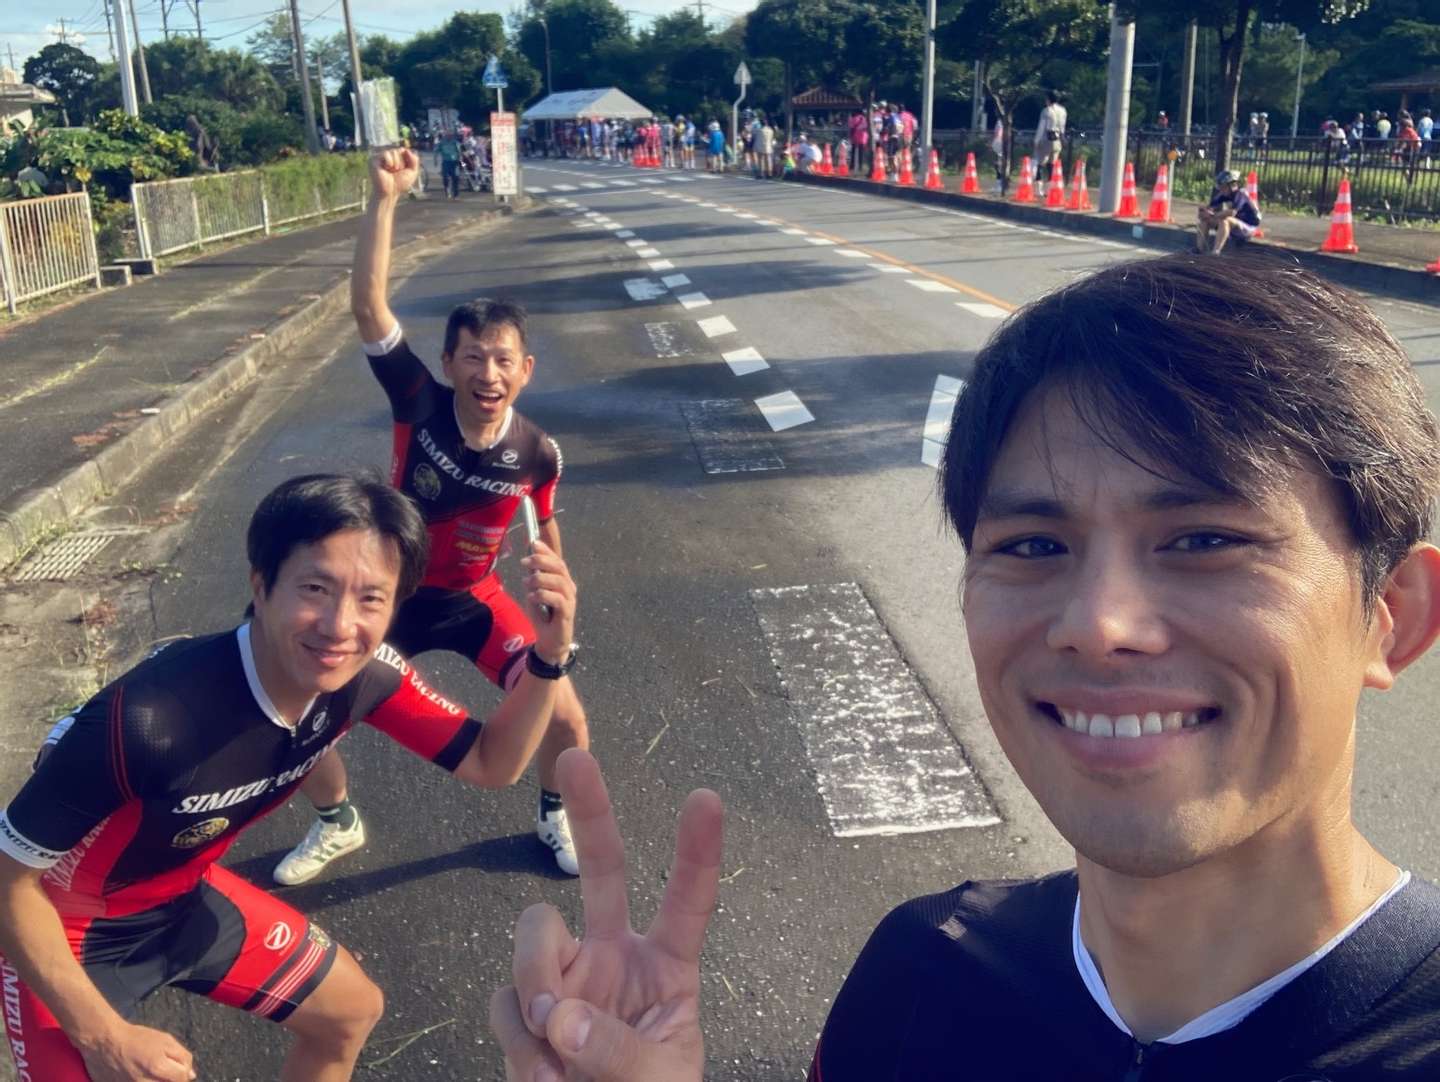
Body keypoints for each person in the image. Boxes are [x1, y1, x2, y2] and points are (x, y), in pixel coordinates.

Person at [490, 253, 1440, 1081]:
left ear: (1391, 615)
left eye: (1203, 539)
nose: (1098, 625)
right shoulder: (920, 975)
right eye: (1033, 546)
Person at [0, 472, 578, 1082]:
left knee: (350, 1012)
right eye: (316, 588)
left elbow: (492, 763)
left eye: (371, 599)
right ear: (262, 585)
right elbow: (8, 882)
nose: (339, 626)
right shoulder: (148, 718)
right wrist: (104, 1037)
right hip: (66, 928)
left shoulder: (366, 677)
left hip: (181, 895)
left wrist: (547, 657)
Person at [270, 149, 593, 886]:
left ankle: (554, 811)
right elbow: (368, 308)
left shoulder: (537, 453)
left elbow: (546, 526)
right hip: (393, 594)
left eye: (503, 360)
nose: (488, 374)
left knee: (565, 713)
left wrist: (556, 598)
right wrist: (385, 199)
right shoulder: (417, 401)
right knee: (304, 703)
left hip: (474, 599)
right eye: (473, 358)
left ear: (526, 370)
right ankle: (336, 821)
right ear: (447, 364)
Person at [1195, 169, 1261, 254]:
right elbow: (1209, 208)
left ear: (1232, 185)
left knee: (1225, 220)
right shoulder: (1223, 194)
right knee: (1205, 221)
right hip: (1236, 225)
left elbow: (1232, 212)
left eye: (1223, 187)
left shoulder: (1241, 194)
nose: (1221, 189)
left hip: (1249, 227)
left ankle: (1216, 251)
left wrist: (1213, 215)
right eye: (1220, 187)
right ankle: (1199, 249)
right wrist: (1203, 212)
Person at [1035, 89, 1067, 196]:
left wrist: (1036, 140)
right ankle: (1048, 189)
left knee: (1040, 164)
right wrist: (1063, 139)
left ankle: (1039, 190)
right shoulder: (1063, 111)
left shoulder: (1046, 111)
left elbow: (1041, 127)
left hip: (1046, 138)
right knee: (1052, 165)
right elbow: (1062, 127)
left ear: (1048, 99)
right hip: (1057, 139)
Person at [434, 129, 462, 200]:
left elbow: (459, 152)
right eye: (447, 135)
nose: (449, 136)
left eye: (450, 135)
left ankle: (456, 195)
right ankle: (447, 190)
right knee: (445, 178)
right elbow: (436, 151)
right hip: (446, 162)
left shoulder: (455, 142)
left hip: (454, 162)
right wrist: (435, 160)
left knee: (455, 178)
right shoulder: (442, 143)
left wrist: (460, 161)